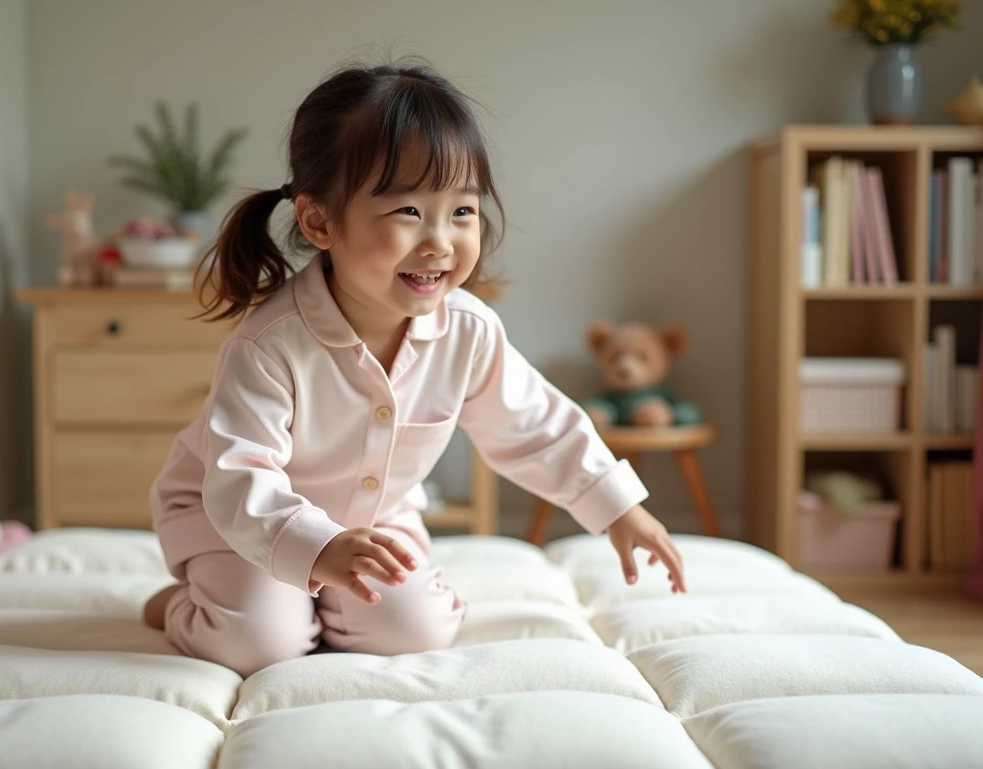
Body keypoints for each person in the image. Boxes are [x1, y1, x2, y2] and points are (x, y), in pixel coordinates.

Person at [143, 58, 686, 678]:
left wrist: (618, 508)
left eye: (462, 211)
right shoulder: (269, 344)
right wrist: (317, 547)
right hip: (236, 521)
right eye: (407, 212)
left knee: (413, 632)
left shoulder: (468, 330)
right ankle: (181, 606)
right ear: (320, 221)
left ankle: (324, 607)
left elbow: (536, 426)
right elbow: (240, 480)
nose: (440, 242)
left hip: (375, 520)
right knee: (258, 643)